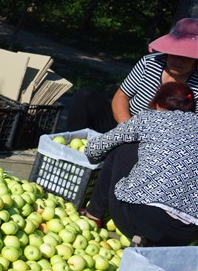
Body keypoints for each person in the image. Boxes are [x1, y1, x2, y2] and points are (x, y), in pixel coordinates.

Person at [79, 82, 198, 246]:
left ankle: (93, 215)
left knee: (122, 145)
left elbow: (94, 149)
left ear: (157, 104)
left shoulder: (151, 118)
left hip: (140, 219)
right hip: (187, 234)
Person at [66, 18, 198, 132]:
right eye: (175, 53)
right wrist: (128, 130)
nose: (179, 60)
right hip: (124, 124)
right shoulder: (151, 62)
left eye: (186, 57)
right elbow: (121, 96)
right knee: (86, 96)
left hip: (161, 143)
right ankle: (68, 151)